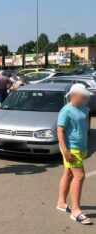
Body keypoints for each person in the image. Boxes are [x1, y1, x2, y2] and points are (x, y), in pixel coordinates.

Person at [56, 84, 92, 225]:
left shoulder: (84, 108)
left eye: (85, 96)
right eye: (82, 96)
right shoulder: (66, 110)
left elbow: (82, 128)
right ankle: (76, 210)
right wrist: (65, 151)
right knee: (79, 176)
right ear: (73, 95)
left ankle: (61, 203)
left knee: (68, 174)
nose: (85, 98)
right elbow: (60, 131)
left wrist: (85, 146)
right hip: (71, 148)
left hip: (81, 147)